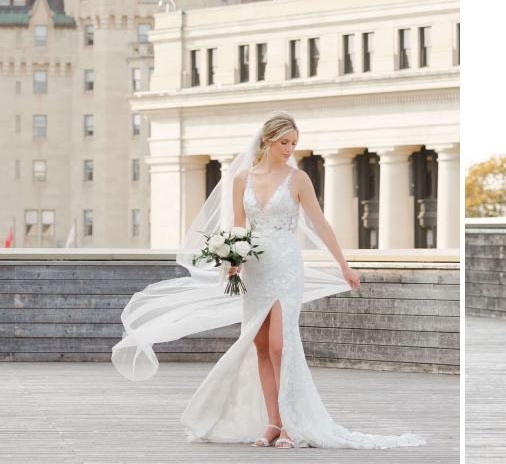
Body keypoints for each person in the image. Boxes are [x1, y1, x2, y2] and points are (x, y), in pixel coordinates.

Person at [113, 112, 424, 449]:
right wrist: (232, 260)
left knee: (281, 345)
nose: (290, 148)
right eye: (284, 142)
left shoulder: (298, 179)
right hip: (255, 270)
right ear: (267, 141)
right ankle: (274, 423)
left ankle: (292, 424)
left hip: (287, 268)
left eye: (293, 143)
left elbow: (320, 223)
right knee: (261, 347)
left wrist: (343, 266)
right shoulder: (241, 179)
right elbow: (239, 227)